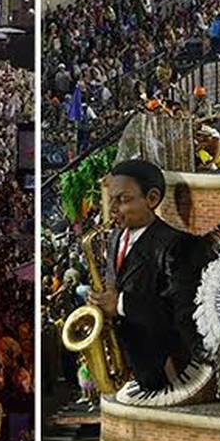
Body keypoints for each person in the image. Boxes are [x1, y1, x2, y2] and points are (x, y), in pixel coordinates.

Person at [86, 160, 210, 395]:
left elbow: (181, 316)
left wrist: (121, 304)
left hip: (165, 369)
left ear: (152, 199)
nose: (112, 208)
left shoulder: (179, 246)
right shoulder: (115, 239)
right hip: (129, 363)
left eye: (123, 200)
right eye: (110, 198)